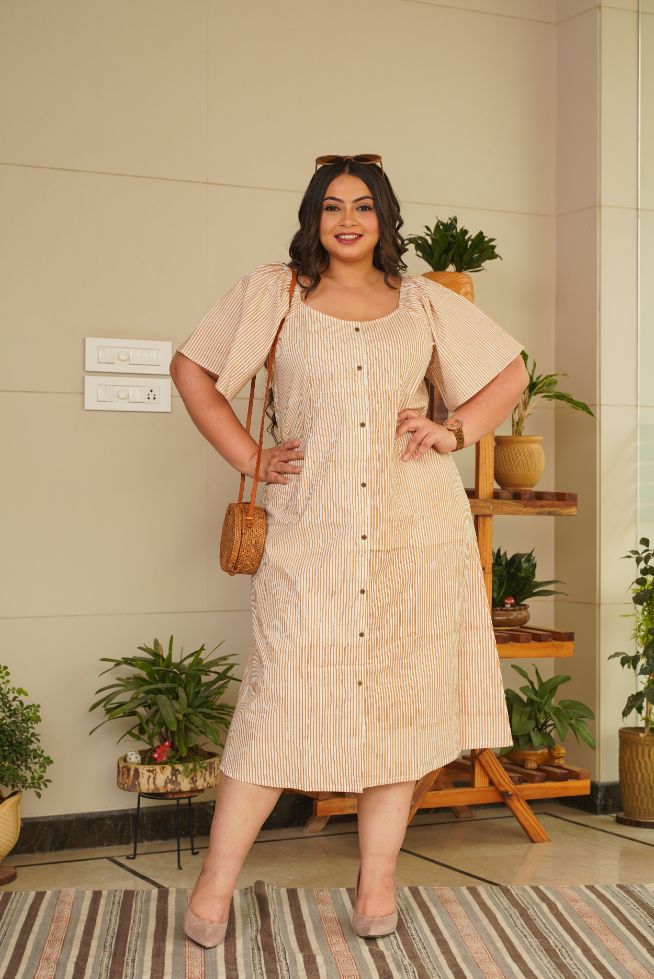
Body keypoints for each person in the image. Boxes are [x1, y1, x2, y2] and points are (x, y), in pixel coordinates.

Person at [170, 153, 529, 948]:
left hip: (414, 537)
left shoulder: (425, 303)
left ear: (384, 219)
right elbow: (192, 368)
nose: (347, 219)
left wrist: (453, 430)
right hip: (312, 537)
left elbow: (509, 373)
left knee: (399, 712)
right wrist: (250, 455)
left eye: (363, 206)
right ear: (313, 217)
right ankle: (214, 886)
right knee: (276, 707)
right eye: (332, 205)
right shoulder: (275, 293)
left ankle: (376, 883)